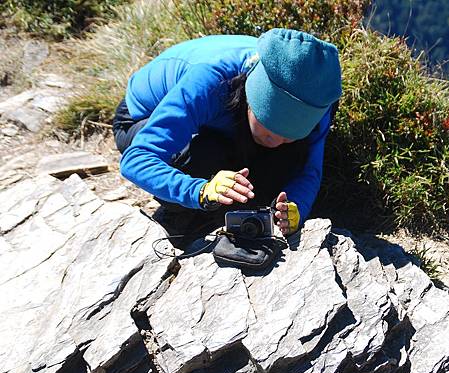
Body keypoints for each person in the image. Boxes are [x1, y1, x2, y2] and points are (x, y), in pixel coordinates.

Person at [112, 28, 342, 239]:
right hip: (141, 120)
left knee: (285, 158)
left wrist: (295, 208)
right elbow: (137, 159)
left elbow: (309, 171)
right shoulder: (212, 81)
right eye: (269, 126)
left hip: (224, 124)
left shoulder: (316, 101)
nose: (277, 141)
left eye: (290, 134)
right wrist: (200, 191)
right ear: (252, 97)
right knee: (207, 155)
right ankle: (180, 213)